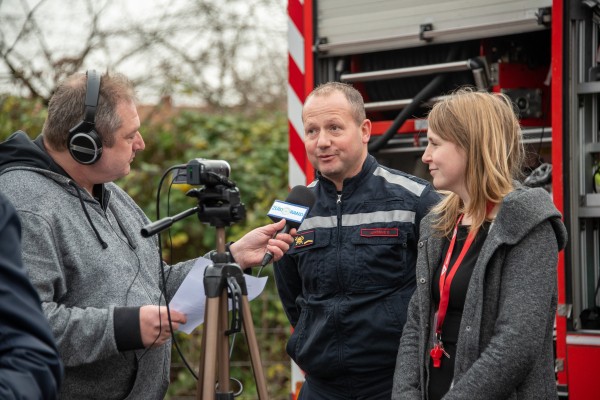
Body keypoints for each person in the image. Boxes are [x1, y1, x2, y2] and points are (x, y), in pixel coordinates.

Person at [0, 70, 294, 400]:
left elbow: (153, 285)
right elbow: (23, 327)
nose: (141, 144)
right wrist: (123, 328)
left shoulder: (110, 193)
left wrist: (234, 257)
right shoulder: (24, 206)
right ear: (86, 145)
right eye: (130, 136)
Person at [392, 88, 568, 399]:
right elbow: (416, 323)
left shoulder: (529, 224)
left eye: (435, 144)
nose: (425, 156)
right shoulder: (437, 225)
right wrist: (405, 394)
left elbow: (516, 345)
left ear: (470, 145)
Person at [273, 82, 441, 399]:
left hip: (394, 385)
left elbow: (442, 290)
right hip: (321, 388)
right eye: (311, 131)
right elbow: (291, 295)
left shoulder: (416, 199)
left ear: (364, 130)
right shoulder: (293, 209)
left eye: (335, 128)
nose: (322, 141)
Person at [0, 190, 63, 399]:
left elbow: (30, 354)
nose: (139, 153)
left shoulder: (114, 197)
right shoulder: (27, 202)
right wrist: (123, 326)